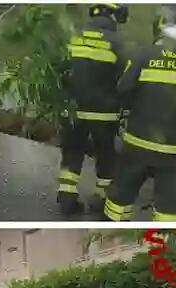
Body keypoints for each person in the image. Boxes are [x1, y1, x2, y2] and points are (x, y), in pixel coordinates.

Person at [103, 4, 176, 222]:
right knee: (170, 207)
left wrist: (131, 110)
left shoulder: (143, 55)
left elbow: (123, 90)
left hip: (140, 142)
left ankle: (112, 224)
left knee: (121, 194)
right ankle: (164, 246)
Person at [57, 3, 130, 217]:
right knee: (106, 154)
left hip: (71, 109)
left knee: (71, 152)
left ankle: (66, 198)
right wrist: (125, 108)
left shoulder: (73, 36)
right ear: (114, 16)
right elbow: (126, 80)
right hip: (104, 113)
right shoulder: (117, 43)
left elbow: (59, 68)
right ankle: (101, 199)